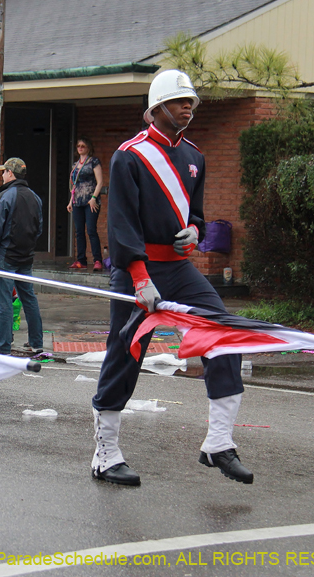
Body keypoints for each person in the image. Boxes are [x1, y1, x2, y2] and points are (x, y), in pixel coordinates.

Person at [91, 69, 251, 488]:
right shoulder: (130, 155)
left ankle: (218, 442)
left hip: (179, 268)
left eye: (192, 102)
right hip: (136, 271)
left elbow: (195, 215)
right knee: (127, 352)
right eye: (181, 101)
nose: (189, 107)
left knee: (223, 333)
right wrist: (140, 277)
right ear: (157, 108)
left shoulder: (195, 156)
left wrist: (194, 234)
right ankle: (105, 453)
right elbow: (121, 224)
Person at [0, 158, 44, 356]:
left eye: (4, 172)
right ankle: (36, 342)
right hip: (26, 256)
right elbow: (39, 229)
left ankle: (2, 346)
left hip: (6, 255)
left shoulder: (6, 196)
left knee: (3, 302)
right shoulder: (35, 197)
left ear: (10, 173)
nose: (2, 175)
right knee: (29, 298)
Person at [67, 137, 105, 270]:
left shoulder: (93, 161)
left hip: (90, 201)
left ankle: (97, 260)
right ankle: (81, 260)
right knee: (79, 232)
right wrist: (71, 201)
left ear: (88, 147)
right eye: (78, 146)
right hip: (78, 201)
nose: (80, 148)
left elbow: (100, 181)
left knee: (91, 230)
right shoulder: (75, 165)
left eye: (83, 145)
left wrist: (94, 197)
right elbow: (74, 185)